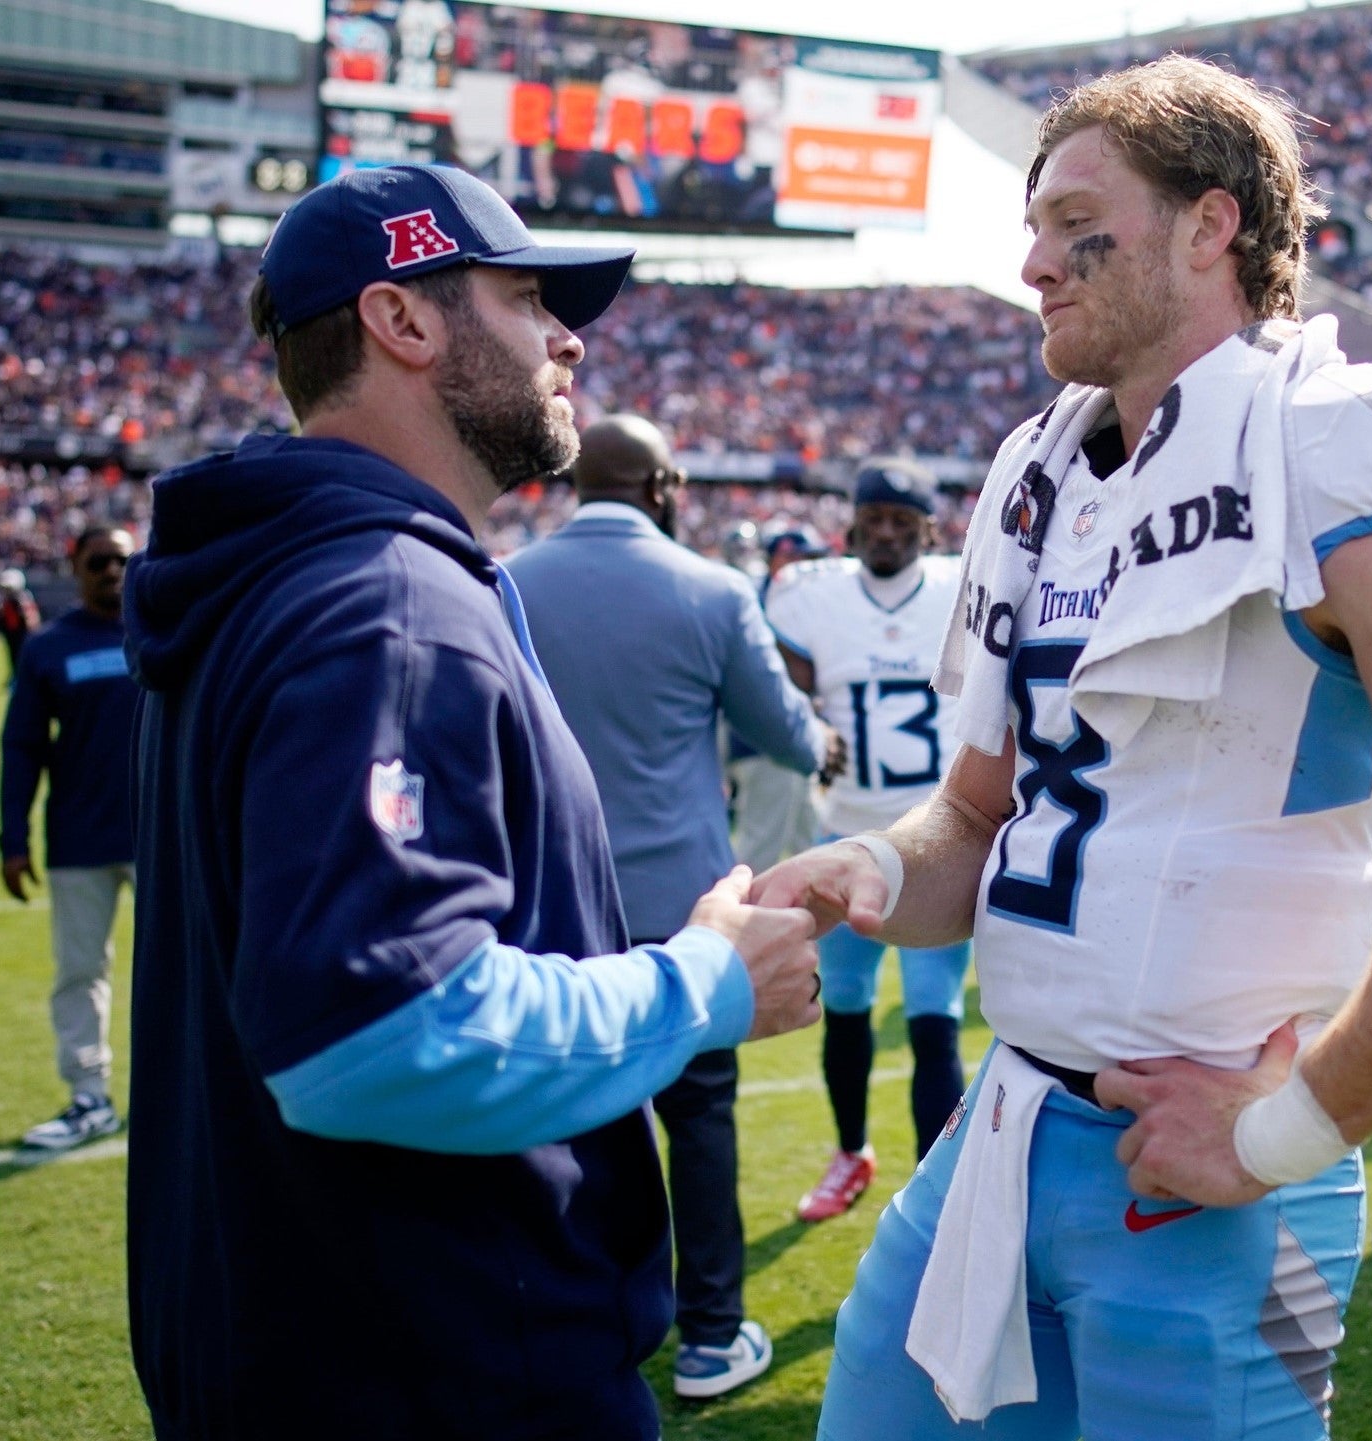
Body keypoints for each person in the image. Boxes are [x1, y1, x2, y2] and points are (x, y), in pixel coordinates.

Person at [755, 59, 1372, 1439]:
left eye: (1072, 218)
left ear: (1210, 228)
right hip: (998, 1134)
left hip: (1209, 1190)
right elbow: (973, 825)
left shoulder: (1336, 438)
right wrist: (851, 866)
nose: (1030, 263)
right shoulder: (1032, 466)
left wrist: (1287, 1130)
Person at [119, 163, 821, 1439]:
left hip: (308, 1339)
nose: (568, 339)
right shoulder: (384, 603)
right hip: (431, 1367)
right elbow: (377, 1030)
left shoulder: (296, 574)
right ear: (403, 321)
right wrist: (706, 981)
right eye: (524, 297)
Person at [508, 412, 842, 1400]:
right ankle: (707, 1332)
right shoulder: (711, 588)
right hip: (683, 907)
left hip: (551, 903)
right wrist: (821, 742)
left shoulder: (506, 583)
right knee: (697, 1119)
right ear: (662, 489)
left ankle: (578, 1324)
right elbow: (783, 734)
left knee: (565, 1121)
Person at [760, 459, 971, 1225]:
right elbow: (782, 688)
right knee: (843, 1006)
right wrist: (809, 728)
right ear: (852, 523)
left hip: (933, 841)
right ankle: (850, 1151)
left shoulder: (961, 588)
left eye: (899, 519)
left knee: (932, 1017)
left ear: (929, 529)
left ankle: (932, 1185)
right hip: (841, 827)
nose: (884, 532)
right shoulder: (809, 596)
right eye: (872, 517)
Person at [0, 526, 143, 1151]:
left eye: (121, 559)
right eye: (99, 561)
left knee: (193, 967)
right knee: (80, 972)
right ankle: (89, 1096)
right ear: (76, 567)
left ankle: (193, 1091)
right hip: (79, 838)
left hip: (160, 836)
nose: (112, 571)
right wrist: (12, 837)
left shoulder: (166, 629)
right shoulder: (47, 647)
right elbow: (22, 746)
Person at [728, 525, 832, 873]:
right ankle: (742, 925)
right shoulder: (755, 604)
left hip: (799, 738)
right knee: (762, 847)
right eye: (794, 559)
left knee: (810, 840)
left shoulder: (805, 605)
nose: (804, 568)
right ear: (775, 560)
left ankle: (812, 926)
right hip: (766, 741)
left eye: (810, 560)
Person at [0, 569, 41, 683]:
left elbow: (31, 617)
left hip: (22, 633)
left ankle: (23, 677)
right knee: (13, 655)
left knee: (22, 655)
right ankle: (15, 676)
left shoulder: (23, 598)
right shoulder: (4, 600)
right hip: (11, 632)